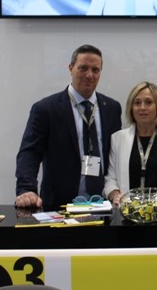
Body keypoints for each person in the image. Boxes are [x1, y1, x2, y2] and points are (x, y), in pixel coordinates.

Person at [15, 44, 122, 210]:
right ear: (71, 68)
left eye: (95, 70)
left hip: (103, 206)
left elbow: (115, 157)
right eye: (83, 68)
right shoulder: (46, 109)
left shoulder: (112, 109)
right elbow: (30, 153)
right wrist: (26, 189)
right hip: (59, 206)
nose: (89, 75)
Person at [103, 81, 157, 205]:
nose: (142, 107)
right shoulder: (117, 138)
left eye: (148, 102)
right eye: (137, 103)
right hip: (128, 210)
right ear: (131, 108)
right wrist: (115, 194)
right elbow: (110, 178)